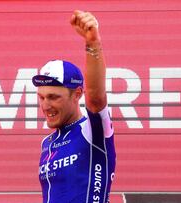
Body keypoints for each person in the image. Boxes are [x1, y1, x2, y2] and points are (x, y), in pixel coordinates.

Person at [32, 10, 116, 203]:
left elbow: (96, 99)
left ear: (77, 94)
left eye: (53, 97)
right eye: (42, 97)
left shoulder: (93, 130)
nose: (46, 105)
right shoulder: (47, 143)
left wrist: (92, 43)